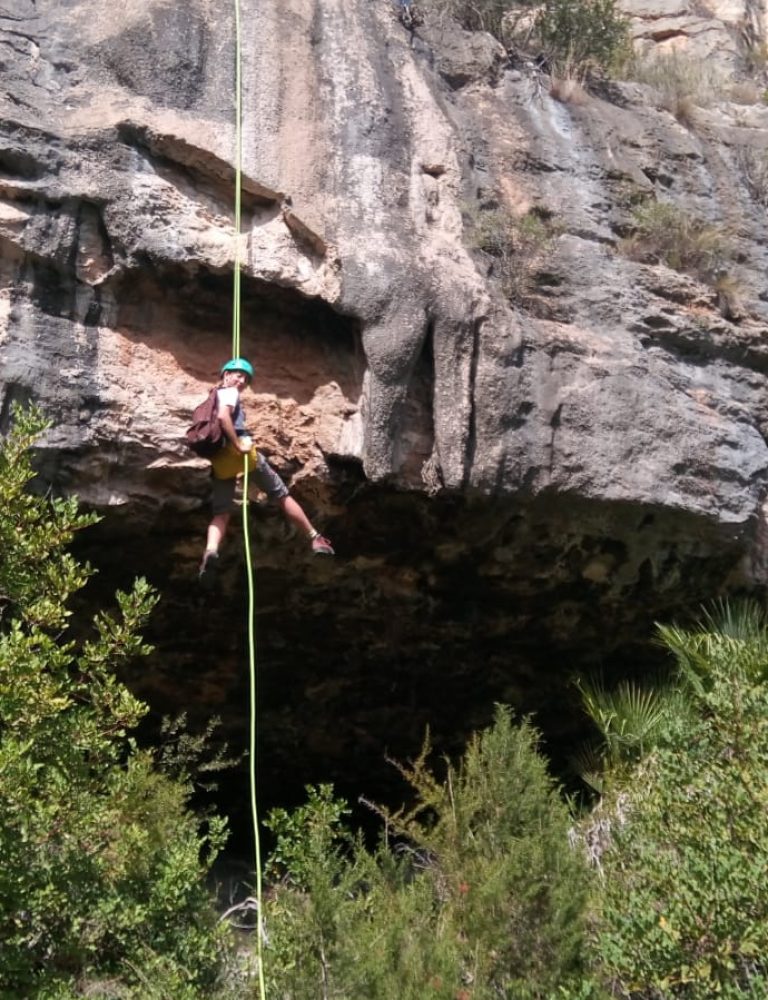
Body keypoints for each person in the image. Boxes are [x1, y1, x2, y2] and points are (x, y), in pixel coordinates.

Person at [199, 357, 334, 587]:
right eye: (238, 375)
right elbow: (223, 417)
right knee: (281, 495)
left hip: (220, 460)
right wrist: (238, 443)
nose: (241, 381)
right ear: (225, 375)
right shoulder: (229, 392)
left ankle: (209, 553)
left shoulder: (211, 396)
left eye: (245, 378)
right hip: (240, 454)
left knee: (221, 513)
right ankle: (315, 538)